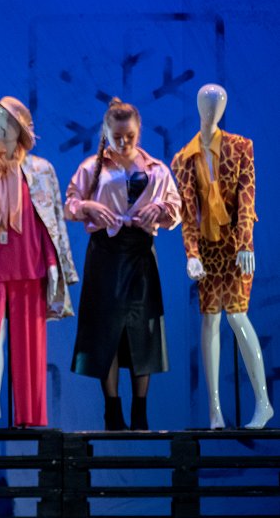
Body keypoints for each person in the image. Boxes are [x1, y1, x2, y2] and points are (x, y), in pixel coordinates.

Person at [0, 94, 78, 427]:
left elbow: (46, 220)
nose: (1, 124)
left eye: (8, 120)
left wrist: (52, 260)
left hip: (30, 260)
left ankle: (30, 411)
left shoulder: (40, 169)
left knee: (31, 341)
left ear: (20, 128)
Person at [65, 98, 181, 431]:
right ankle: (112, 409)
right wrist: (88, 206)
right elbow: (69, 204)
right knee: (107, 332)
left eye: (129, 136)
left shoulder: (156, 169)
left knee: (142, 330)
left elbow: (176, 208)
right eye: (117, 137)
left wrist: (160, 209)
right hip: (105, 253)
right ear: (106, 132)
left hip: (140, 253)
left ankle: (140, 410)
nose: (124, 142)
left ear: (138, 132)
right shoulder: (93, 167)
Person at [171, 83, 273, 429]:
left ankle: (263, 402)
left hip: (234, 244)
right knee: (210, 319)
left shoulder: (241, 147)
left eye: (217, 104)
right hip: (208, 248)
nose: (211, 110)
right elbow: (188, 212)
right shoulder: (184, 158)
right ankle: (214, 410)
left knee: (237, 316)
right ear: (198, 107)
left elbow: (247, 197)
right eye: (206, 103)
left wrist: (245, 243)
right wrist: (191, 253)